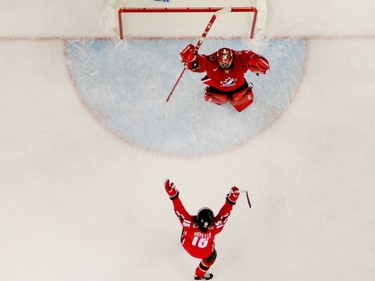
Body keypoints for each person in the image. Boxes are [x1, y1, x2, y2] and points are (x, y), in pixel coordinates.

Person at [164, 179, 240, 280]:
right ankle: (199, 275)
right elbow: (224, 214)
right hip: (206, 252)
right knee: (212, 257)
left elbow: (179, 210)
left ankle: (185, 237)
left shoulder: (189, 224)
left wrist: (173, 194)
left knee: (185, 224)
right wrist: (231, 200)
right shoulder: (216, 227)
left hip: (187, 245)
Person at [180, 44, 270, 112]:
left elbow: (249, 55)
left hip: (239, 88)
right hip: (218, 90)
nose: (225, 66)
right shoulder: (211, 60)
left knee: (241, 99)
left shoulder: (238, 57)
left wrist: (257, 60)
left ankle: (237, 101)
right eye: (222, 64)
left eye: (227, 63)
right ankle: (219, 99)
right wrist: (191, 60)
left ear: (232, 59)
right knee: (220, 98)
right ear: (218, 60)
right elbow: (200, 63)